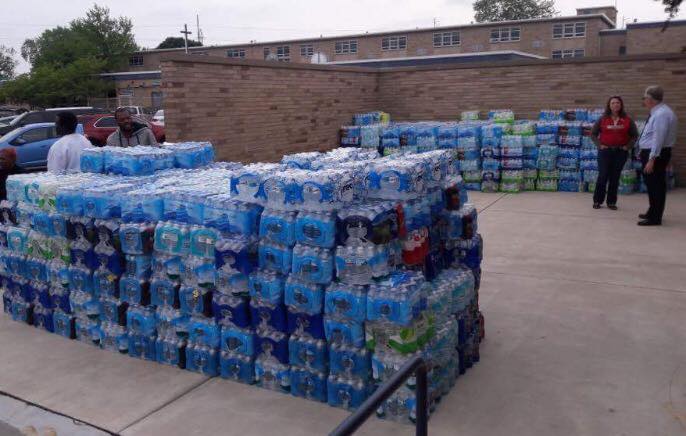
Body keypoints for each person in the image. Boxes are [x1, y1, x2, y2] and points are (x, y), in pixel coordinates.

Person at [637, 85, 678, 226]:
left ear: (651, 99)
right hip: (652, 152)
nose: (644, 101)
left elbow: (658, 138)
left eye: (645, 98)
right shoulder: (658, 112)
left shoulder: (661, 114)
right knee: (652, 184)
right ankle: (652, 211)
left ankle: (655, 218)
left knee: (656, 185)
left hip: (655, 154)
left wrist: (652, 159)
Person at [591, 96, 639, 210]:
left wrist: (628, 147)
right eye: (613, 103)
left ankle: (611, 202)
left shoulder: (627, 120)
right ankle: (597, 200)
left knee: (615, 177)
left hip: (620, 153)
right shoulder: (602, 119)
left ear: (621, 105)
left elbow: (634, 135)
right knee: (603, 176)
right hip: (605, 152)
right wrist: (599, 145)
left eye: (617, 103)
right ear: (609, 105)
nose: (615, 105)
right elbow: (593, 134)